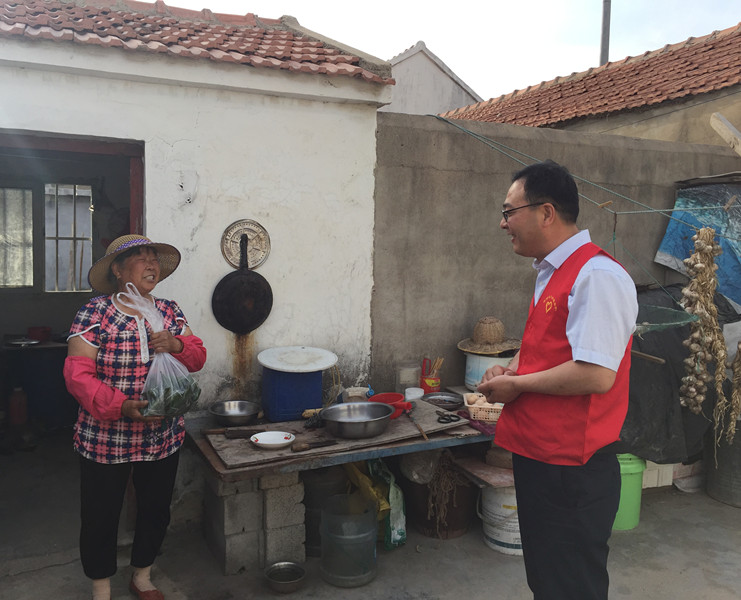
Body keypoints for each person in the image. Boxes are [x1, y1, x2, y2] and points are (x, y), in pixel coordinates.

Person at [478, 160, 638, 600]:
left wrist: (518, 387)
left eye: (509, 212)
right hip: (543, 457)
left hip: (573, 468)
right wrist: (513, 369)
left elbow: (596, 374)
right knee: (548, 581)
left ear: (546, 212)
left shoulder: (596, 276)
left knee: (571, 586)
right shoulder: (551, 272)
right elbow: (554, 349)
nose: (503, 223)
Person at [63, 235, 207, 600]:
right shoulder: (95, 312)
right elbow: (77, 375)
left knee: (155, 509)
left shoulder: (169, 311)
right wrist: (121, 406)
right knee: (100, 514)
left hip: (162, 435)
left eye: (154, 257)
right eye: (141, 257)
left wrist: (176, 344)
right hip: (105, 437)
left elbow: (197, 357)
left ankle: (142, 576)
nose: (151, 264)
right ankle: (101, 588)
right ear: (117, 269)